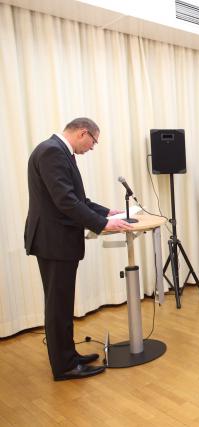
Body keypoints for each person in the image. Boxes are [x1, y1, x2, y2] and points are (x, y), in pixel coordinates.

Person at [24, 117, 132, 381]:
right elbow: (66, 201)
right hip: (53, 241)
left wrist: (106, 212)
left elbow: (78, 199)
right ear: (83, 133)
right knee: (58, 305)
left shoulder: (59, 151)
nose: (92, 148)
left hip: (56, 240)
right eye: (93, 142)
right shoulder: (52, 152)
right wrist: (103, 224)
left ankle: (69, 355)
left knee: (62, 302)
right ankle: (64, 367)